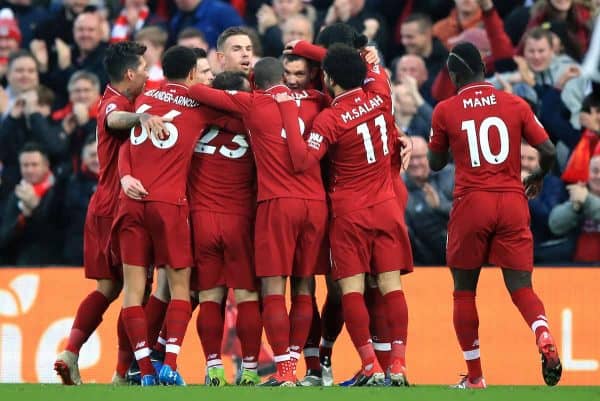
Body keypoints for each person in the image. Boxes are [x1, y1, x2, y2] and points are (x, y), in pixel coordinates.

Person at [427, 42, 562, 389]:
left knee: (464, 292)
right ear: (484, 71)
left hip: (472, 202)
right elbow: (547, 150)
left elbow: (436, 163)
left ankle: (475, 378)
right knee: (521, 288)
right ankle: (544, 334)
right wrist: (538, 176)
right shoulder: (515, 103)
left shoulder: (445, 109)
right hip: (512, 200)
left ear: (455, 75)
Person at [277, 43, 412, 387]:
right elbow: (366, 64)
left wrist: (290, 122)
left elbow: (304, 161)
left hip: (349, 212)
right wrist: (309, 48)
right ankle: (398, 364)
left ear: (329, 79)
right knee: (390, 286)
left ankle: (369, 365)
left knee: (350, 290)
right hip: (386, 206)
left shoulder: (329, 118)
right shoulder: (381, 93)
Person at [188, 57, 328, 387]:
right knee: (305, 285)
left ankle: (284, 372)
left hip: (277, 204)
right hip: (316, 203)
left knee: (273, 289)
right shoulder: (316, 101)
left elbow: (197, 91)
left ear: (254, 82)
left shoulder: (252, 102)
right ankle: (296, 360)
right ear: (285, 77)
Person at [115, 45, 233, 386]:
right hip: (170, 204)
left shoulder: (146, 98)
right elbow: (242, 113)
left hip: (132, 201)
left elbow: (127, 143)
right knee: (180, 288)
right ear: (194, 74)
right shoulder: (202, 104)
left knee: (134, 291)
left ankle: (144, 370)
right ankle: (168, 364)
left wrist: (124, 175)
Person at [53, 41, 166, 386]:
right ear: (130, 73)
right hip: (121, 208)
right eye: (145, 69)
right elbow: (115, 120)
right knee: (138, 291)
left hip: (102, 205)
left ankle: (71, 352)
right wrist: (143, 117)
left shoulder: (116, 96)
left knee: (109, 286)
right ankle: (121, 374)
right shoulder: (116, 104)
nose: (148, 74)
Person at [189, 70, 261, 386]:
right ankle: (249, 369)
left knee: (209, 297)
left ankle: (213, 367)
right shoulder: (255, 125)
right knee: (246, 295)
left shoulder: (196, 124)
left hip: (202, 219)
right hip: (239, 220)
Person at [0, 142, 65, 265]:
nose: (29, 170)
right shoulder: (15, 195)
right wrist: (21, 219)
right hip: (20, 265)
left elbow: (59, 233)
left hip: (54, 264)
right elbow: (4, 237)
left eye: (34, 165)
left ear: (46, 165)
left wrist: (36, 207)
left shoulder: (59, 191)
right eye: (25, 165)